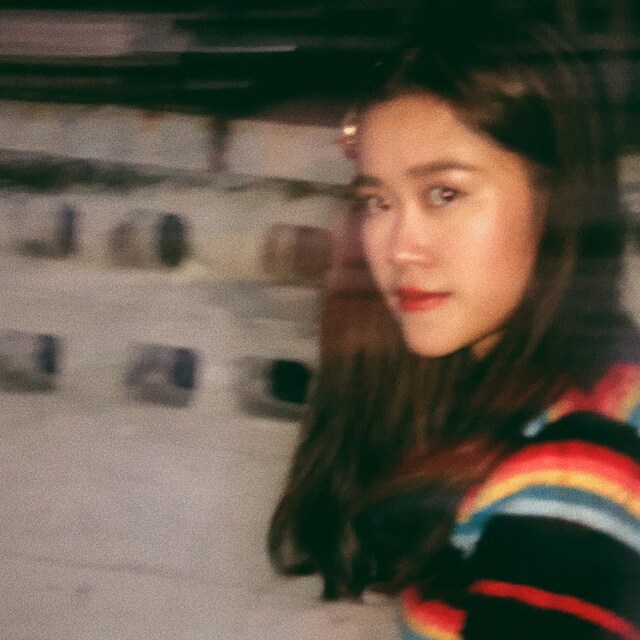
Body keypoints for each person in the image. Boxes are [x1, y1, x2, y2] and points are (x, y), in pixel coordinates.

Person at [268, 7, 640, 639]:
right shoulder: (531, 402)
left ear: (558, 203)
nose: (398, 248)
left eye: (444, 193)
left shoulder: (573, 472)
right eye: (377, 201)